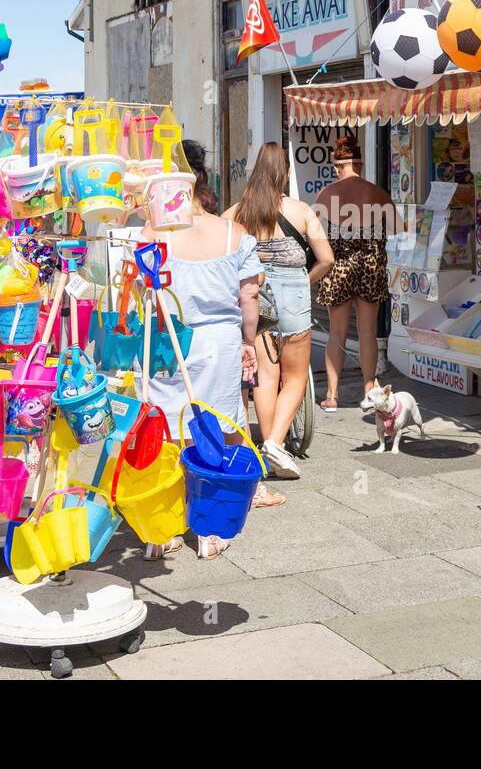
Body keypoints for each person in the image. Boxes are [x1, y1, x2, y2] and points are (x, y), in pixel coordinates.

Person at [137, 141, 264, 560]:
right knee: (219, 428)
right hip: (220, 343)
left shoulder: (153, 232)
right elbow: (249, 298)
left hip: (168, 341)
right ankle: (209, 526)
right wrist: (250, 342)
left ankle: (166, 526)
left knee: (169, 431)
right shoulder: (234, 233)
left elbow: (137, 289)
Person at [226, 142, 334, 482]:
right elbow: (327, 258)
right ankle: (274, 443)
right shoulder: (301, 211)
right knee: (296, 377)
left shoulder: (237, 213)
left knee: (266, 378)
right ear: (285, 174)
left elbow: (221, 252)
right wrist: (305, 278)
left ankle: (265, 454)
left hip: (255, 299)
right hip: (294, 300)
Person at [314, 134, 395, 411]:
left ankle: (332, 396)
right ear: (360, 164)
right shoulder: (378, 193)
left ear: (338, 165)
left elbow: (313, 233)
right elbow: (395, 229)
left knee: (337, 331)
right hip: (371, 266)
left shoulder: (327, 194)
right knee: (368, 332)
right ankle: (369, 391)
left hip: (340, 266)